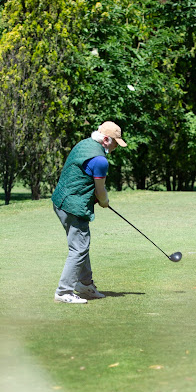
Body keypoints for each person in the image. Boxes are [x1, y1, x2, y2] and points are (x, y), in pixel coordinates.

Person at [51, 121, 127, 304]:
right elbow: (100, 191)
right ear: (106, 140)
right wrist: (104, 201)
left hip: (61, 201)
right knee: (79, 248)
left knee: (81, 245)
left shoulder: (84, 144)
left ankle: (84, 284)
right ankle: (63, 292)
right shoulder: (100, 160)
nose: (116, 146)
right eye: (116, 142)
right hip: (73, 206)